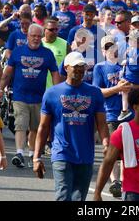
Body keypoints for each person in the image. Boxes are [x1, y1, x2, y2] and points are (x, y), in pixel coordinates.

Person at [33, 51, 109, 201]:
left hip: (85, 155)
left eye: (82, 67)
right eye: (76, 67)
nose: (80, 70)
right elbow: (43, 127)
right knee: (63, 195)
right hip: (62, 152)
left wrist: (106, 141)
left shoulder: (94, 93)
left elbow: (101, 123)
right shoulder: (52, 93)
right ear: (66, 67)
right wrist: (36, 157)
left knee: (79, 198)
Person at [0, 24, 60, 168]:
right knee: (21, 124)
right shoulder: (18, 52)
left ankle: (32, 154)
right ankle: (19, 153)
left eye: (39, 36)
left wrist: (57, 92)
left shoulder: (47, 54)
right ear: (27, 36)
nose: (36, 39)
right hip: (20, 96)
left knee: (34, 128)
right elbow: (7, 73)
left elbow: (55, 73)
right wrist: (0, 90)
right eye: (33, 36)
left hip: (39, 97)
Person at [93, 35, 133, 198]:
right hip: (109, 114)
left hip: (128, 114)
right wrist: (117, 88)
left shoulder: (126, 66)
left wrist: (129, 88)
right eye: (107, 47)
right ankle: (115, 181)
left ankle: (124, 181)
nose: (111, 49)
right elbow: (97, 92)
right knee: (110, 150)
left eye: (112, 46)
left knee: (126, 151)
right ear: (103, 51)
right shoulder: (100, 67)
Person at [42, 18, 70, 89]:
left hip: (58, 88)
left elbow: (70, 68)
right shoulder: (38, 44)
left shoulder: (65, 44)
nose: (54, 32)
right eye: (51, 30)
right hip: (40, 89)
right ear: (44, 30)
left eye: (56, 29)